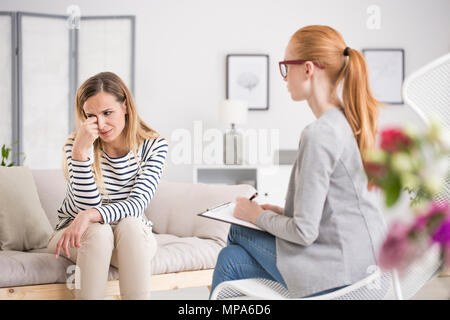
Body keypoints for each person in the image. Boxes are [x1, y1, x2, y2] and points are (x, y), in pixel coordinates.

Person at [210, 25, 387, 298]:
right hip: (366, 268)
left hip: (340, 277)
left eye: (285, 67)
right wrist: (279, 213)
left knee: (238, 231)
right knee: (231, 259)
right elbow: (333, 211)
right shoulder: (347, 122)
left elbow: (304, 232)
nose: (284, 78)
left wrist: (257, 215)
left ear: (307, 69)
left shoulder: (319, 133)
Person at [47, 71, 168, 300]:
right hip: (77, 234)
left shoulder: (154, 146)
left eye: (107, 112)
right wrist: (81, 154)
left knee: (131, 225)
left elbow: (136, 205)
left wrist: (91, 214)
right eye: (91, 116)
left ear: (125, 106)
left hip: (129, 236)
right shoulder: (77, 145)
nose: (100, 124)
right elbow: (86, 206)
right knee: (99, 232)